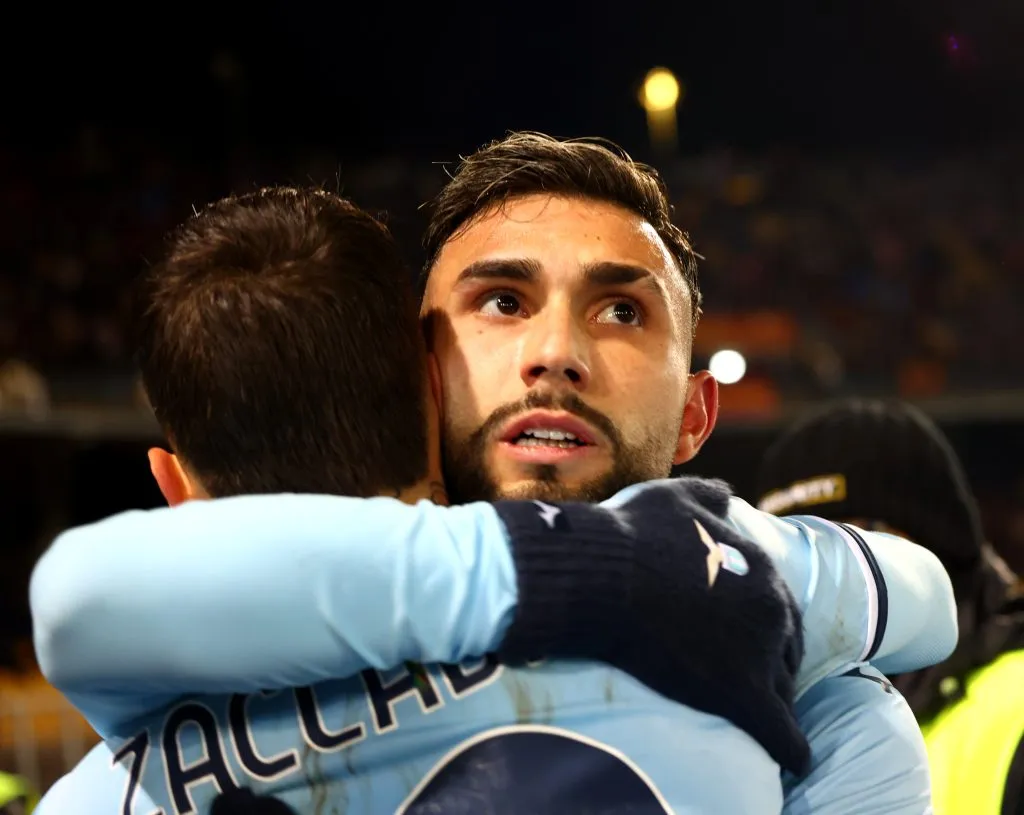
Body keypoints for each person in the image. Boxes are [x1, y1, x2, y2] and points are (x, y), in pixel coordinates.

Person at [33, 141, 954, 811]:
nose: (555, 352)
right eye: (503, 301)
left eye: (622, 311)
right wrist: (617, 563)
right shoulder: (168, 678)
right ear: (424, 377)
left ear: (693, 416)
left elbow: (928, 599)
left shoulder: (822, 714)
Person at [757, 397, 1024, 815]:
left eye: (857, 545)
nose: (822, 585)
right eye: (790, 556)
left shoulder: (1013, 708)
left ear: (935, 560)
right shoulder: (746, 742)